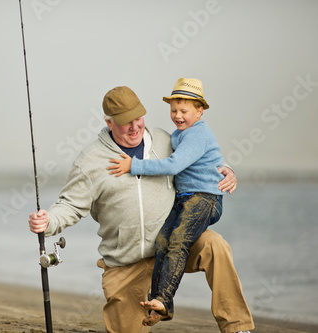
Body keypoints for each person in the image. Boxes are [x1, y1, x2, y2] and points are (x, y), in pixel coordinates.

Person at [28, 85, 254, 333]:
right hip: (126, 263)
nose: (135, 127)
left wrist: (228, 169)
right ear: (109, 122)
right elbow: (70, 204)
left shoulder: (164, 141)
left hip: (170, 248)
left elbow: (199, 156)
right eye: (126, 122)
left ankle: (237, 327)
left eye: (138, 119)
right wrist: (48, 222)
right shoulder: (90, 161)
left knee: (215, 245)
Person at [107, 78, 229, 327]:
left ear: (199, 111)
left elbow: (173, 165)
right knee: (162, 241)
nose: (178, 116)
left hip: (205, 198)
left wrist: (134, 166)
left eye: (184, 111)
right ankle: (158, 305)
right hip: (184, 199)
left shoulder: (198, 133)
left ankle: (163, 299)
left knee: (178, 241)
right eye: (174, 110)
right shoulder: (179, 135)